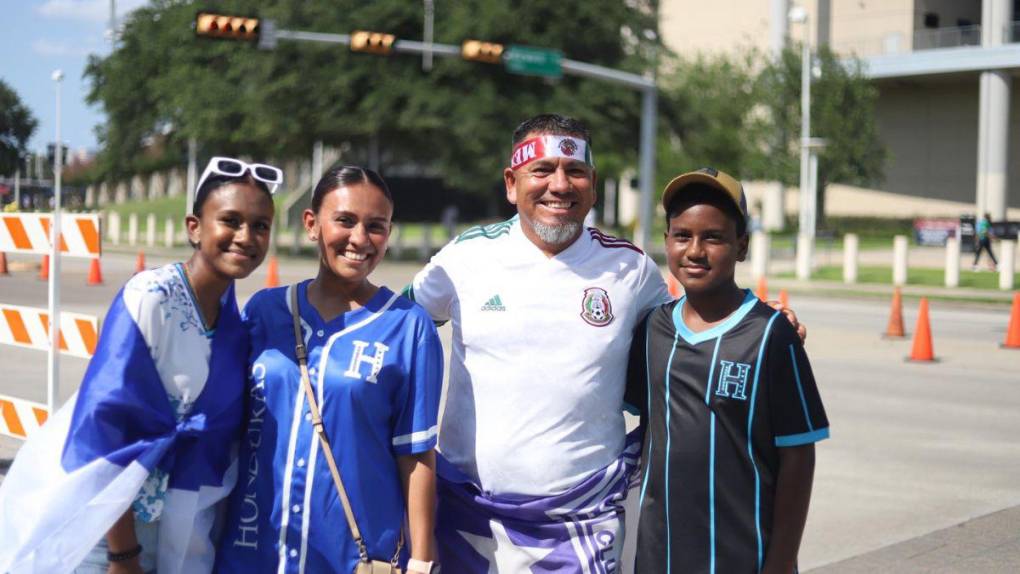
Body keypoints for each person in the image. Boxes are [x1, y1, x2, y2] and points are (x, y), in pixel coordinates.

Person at [407, 114, 805, 572]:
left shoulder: (630, 270)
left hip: (584, 523)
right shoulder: (466, 257)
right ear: (511, 183)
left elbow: (690, 328)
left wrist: (757, 318)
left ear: (593, 186)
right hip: (468, 517)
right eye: (542, 170)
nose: (560, 185)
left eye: (575, 172)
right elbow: (397, 325)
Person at [0, 156, 281, 574]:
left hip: (176, 533)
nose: (246, 236)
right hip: (107, 529)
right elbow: (104, 426)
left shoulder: (233, 323)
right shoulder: (152, 296)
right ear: (194, 227)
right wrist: (123, 555)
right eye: (231, 220)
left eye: (260, 226)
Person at [215, 166, 442, 574]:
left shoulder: (408, 326)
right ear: (311, 224)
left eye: (376, 227)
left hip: (350, 558)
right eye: (345, 221)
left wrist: (423, 562)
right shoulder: (264, 312)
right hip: (252, 553)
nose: (359, 239)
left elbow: (417, 455)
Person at [626, 168, 829, 573]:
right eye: (682, 235)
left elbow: (798, 457)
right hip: (657, 554)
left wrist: (783, 559)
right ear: (666, 242)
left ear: (742, 246)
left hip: (740, 556)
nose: (695, 251)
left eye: (713, 237)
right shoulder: (652, 329)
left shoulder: (771, 335)